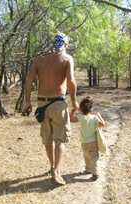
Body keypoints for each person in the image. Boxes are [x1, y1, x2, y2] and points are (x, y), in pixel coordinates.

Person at [24, 33, 78, 186]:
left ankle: (52, 166)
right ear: (66, 45)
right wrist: (74, 102)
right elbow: (71, 80)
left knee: (48, 139)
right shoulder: (67, 58)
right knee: (60, 139)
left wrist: (27, 101)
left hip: (42, 104)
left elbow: (29, 79)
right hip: (58, 103)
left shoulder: (41, 58)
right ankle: (56, 170)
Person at [70, 96, 106, 181]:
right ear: (91, 108)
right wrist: (99, 116)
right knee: (95, 157)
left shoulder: (80, 117)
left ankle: (88, 169)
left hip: (84, 142)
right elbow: (103, 125)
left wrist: (72, 111)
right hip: (93, 142)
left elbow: (71, 119)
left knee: (87, 156)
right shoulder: (94, 118)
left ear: (81, 109)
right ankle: (95, 173)